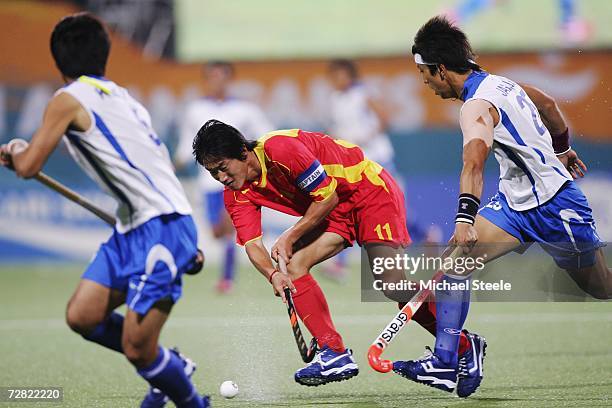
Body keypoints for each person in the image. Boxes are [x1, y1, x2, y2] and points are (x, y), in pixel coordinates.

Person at [393, 15, 611, 397]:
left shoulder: (474, 105)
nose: (424, 82)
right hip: (515, 204)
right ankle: (447, 362)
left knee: (601, 287)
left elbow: (474, 161)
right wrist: (559, 148)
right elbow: (548, 104)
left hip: (556, 206)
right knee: (454, 263)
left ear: (441, 70)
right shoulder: (504, 83)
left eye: (425, 73)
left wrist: (464, 217)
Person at [0, 13, 208, 408]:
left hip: (162, 226)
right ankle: (171, 364)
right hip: (136, 226)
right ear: (104, 56)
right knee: (82, 315)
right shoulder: (123, 98)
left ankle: (191, 399)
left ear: (58, 61)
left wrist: (15, 151)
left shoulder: (67, 99)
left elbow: (28, 167)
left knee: (136, 348)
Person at [192, 120, 485, 388]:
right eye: (212, 172)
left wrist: (290, 235)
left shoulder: (280, 149)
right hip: (331, 212)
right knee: (293, 267)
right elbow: (253, 244)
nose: (221, 177)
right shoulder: (235, 193)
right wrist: (273, 274)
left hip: (368, 193)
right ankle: (334, 353)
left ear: (242, 152)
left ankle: (461, 345)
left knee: (392, 285)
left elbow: (327, 196)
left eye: (222, 166)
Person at [175, 61, 273, 294]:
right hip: (208, 182)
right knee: (218, 232)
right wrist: (169, 168)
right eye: (212, 77)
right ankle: (233, 268)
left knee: (228, 228)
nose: (217, 81)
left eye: (222, 77)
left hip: (237, 180)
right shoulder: (194, 109)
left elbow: (266, 135)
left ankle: (227, 278)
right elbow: (185, 148)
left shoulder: (245, 109)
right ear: (206, 80)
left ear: (230, 79)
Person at [323, 59, 397, 281]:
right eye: (333, 76)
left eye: (341, 75)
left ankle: (424, 235)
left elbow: (385, 118)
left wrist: (366, 136)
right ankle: (340, 262)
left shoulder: (364, 93)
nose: (337, 80)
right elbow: (339, 128)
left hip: (378, 157)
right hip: (355, 164)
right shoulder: (335, 99)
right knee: (349, 207)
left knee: (388, 208)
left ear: (350, 75)